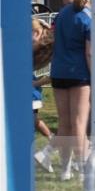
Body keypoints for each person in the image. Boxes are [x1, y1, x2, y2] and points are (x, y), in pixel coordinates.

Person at [49, 0, 92, 180]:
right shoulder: (86, 17)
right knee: (79, 123)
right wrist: (94, 75)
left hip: (58, 71)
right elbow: (89, 52)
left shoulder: (59, 16)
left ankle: (65, 169)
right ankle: (82, 168)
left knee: (64, 122)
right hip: (79, 73)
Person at [31, 18, 57, 172]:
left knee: (32, 122)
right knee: (34, 121)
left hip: (30, 93)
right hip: (31, 91)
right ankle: (52, 142)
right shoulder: (34, 49)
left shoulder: (32, 49)